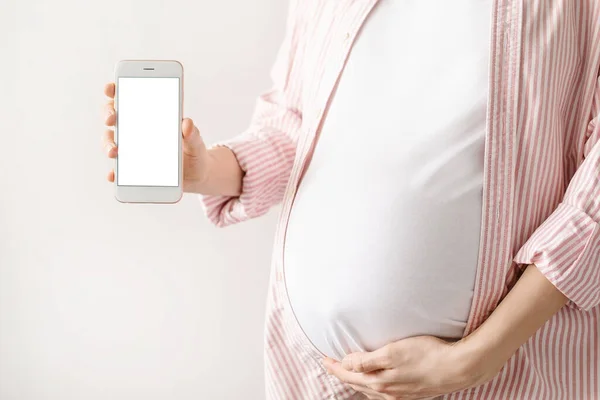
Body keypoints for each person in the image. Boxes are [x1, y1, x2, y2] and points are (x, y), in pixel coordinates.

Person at [102, 0, 600, 398]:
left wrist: (474, 358)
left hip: (507, 374)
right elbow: (293, 122)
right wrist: (207, 169)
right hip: (317, 376)